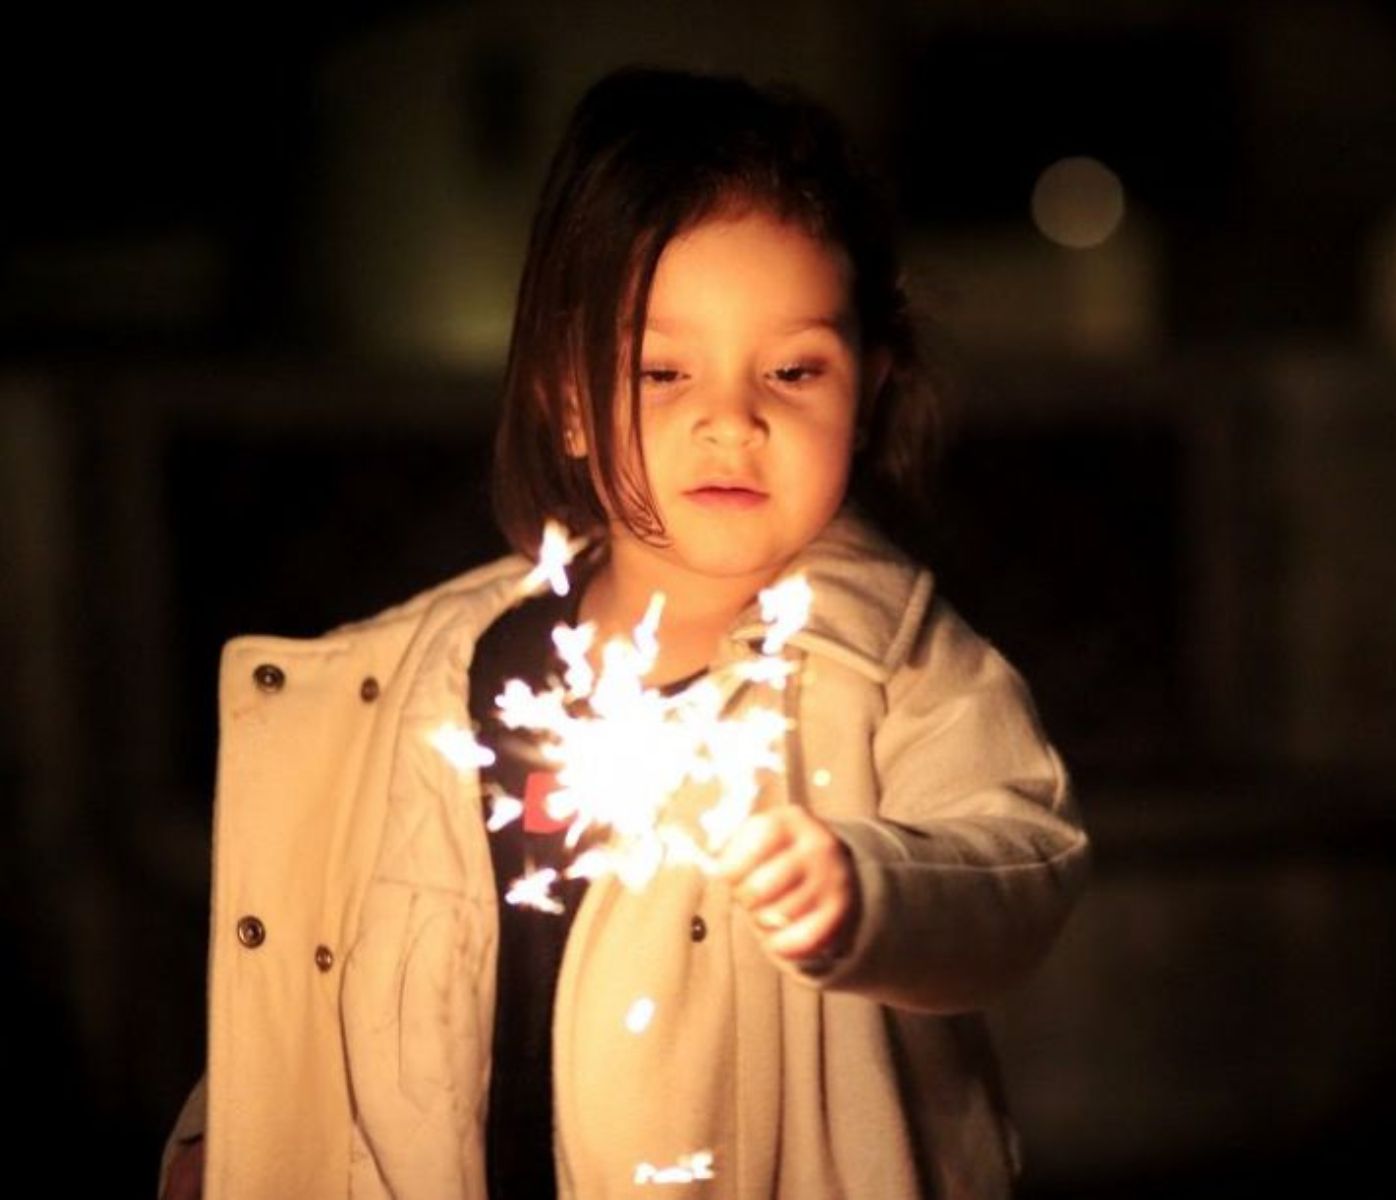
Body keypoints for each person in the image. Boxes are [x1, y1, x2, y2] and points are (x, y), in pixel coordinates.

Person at [160, 64, 1088, 1199]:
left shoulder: (891, 669)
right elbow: (326, 941)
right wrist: (244, 1124)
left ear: (871, 385)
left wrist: (870, 885)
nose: (730, 419)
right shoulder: (444, 671)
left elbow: (1016, 872)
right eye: (661, 369)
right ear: (565, 394)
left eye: (794, 369)